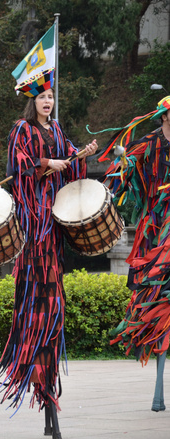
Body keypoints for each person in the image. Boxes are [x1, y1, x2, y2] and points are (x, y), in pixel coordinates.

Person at [0, 69, 97, 439]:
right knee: (35, 300)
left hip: (54, 224)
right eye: (42, 98)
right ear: (32, 101)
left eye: (51, 97)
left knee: (53, 302)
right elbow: (17, 167)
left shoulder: (57, 129)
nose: (48, 102)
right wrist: (45, 165)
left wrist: (81, 156)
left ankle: (47, 370)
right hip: (34, 224)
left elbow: (72, 167)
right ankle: (33, 359)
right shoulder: (23, 129)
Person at [101, 96, 170, 411]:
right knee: (155, 296)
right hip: (155, 227)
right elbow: (124, 170)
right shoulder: (150, 142)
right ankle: (157, 389)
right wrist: (124, 161)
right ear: (164, 117)